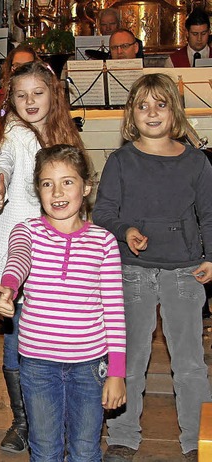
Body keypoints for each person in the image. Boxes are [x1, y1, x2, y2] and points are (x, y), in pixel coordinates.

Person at [93, 73, 212, 462]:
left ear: (174, 112)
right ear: (131, 115)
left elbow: (209, 215)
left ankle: (198, 441)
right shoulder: (121, 161)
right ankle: (124, 436)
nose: (152, 113)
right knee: (130, 358)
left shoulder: (196, 162)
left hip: (185, 272)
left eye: (161, 104)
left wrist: (211, 255)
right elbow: (103, 215)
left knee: (191, 363)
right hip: (133, 272)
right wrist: (126, 231)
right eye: (142, 106)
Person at [0, 60, 85, 454]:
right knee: (20, 337)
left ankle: (58, 414)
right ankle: (23, 420)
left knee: (55, 336)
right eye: (20, 95)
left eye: (38, 93)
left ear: (53, 95)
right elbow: (2, 160)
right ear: (11, 99)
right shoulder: (11, 133)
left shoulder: (63, 134)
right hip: (16, 253)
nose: (29, 101)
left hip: (57, 253)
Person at [0, 144, 127, 460]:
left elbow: (115, 310)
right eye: (47, 183)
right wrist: (10, 287)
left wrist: (117, 372)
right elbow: (18, 258)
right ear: (37, 190)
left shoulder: (103, 242)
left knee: (85, 448)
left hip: (89, 365)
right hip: (38, 365)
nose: (57, 191)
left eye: (67, 181)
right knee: (45, 448)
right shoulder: (26, 230)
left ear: (86, 187)